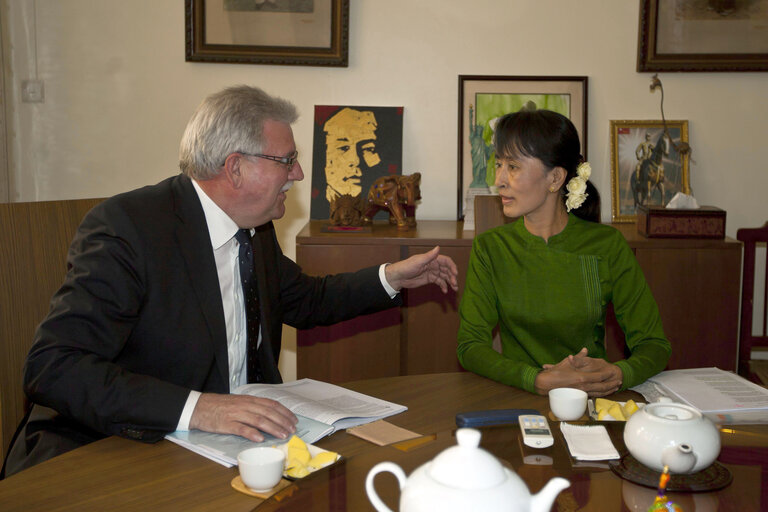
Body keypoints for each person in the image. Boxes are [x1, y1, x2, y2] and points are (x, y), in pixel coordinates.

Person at [2, 85, 458, 477]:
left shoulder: (254, 227)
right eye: (288, 161)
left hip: (233, 448)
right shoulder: (129, 229)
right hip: (126, 446)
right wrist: (201, 407)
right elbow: (54, 367)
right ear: (236, 167)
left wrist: (391, 278)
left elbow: (305, 300)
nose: (298, 174)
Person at [456, 109, 670, 397]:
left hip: (591, 398)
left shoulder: (607, 246)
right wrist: (535, 379)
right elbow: (470, 346)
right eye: (498, 164)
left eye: (513, 166)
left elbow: (654, 344)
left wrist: (619, 373)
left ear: (555, 178)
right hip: (518, 397)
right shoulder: (491, 248)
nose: (499, 179)